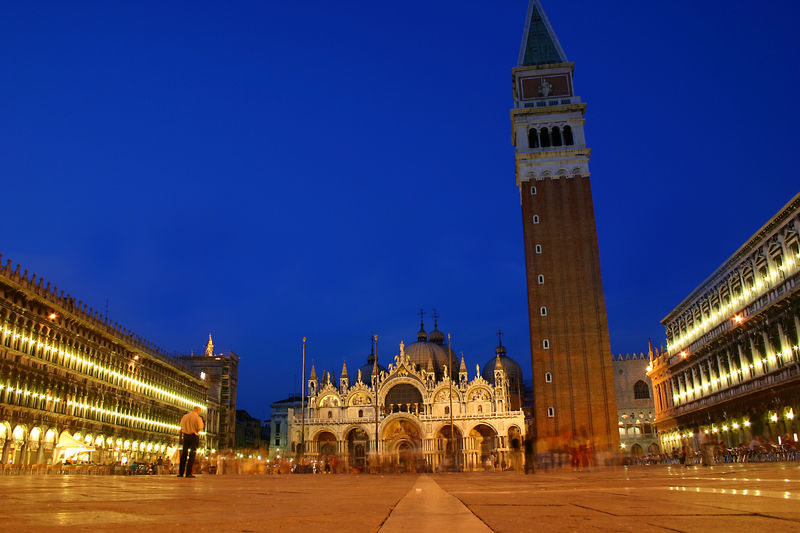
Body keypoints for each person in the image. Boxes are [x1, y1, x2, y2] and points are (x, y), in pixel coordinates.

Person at [178, 406, 204, 478]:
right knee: (192, 454)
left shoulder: (185, 416)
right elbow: (199, 427)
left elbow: (181, 426)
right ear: (198, 411)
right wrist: (195, 430)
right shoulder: (198, 418)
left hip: (185, 436)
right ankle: (188, 473)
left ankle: (181, 473)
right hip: (193, 436)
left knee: (184, 454)